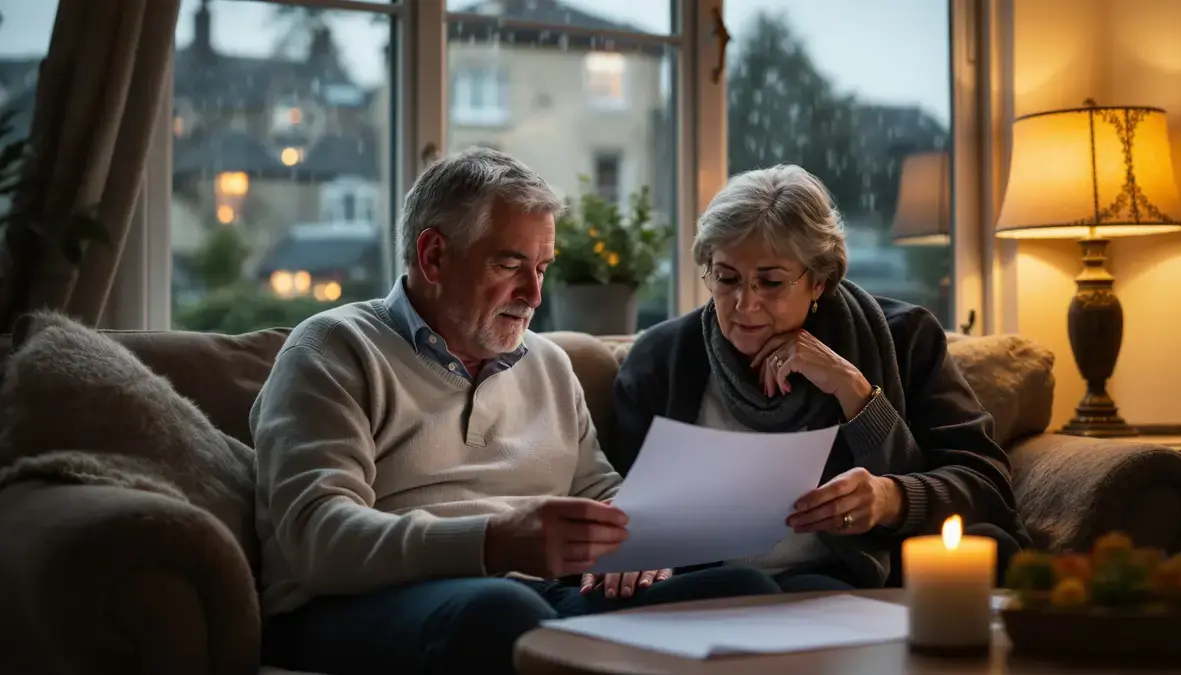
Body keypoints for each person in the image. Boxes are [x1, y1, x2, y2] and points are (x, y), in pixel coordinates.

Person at [252, 148, 781, 675]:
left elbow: (599, 491)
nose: (533, 293)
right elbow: (317, 539)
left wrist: (640, 542)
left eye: (542, 268)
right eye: (509, 265)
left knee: (744, 592)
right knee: (502, 613)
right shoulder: (333, 349)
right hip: (359, 606)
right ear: (434, 256)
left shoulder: (549, 363)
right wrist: (493, 540)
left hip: (537, 599)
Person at [611, 164, 1031, 594]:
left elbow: (988, 489)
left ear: (819, 280)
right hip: (709, 586)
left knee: (992, 551)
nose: (744, 304)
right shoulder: (660, 361)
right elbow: (625, 503)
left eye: (770, 282)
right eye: (726, 278)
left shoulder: (906, 339)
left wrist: (860, 404)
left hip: (853, 578)